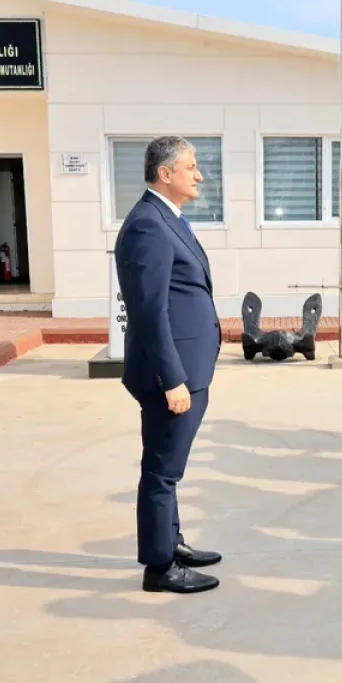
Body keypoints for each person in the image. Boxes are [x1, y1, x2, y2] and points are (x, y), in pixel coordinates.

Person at [114, 136, 224, 594]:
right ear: (166, 174)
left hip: (188, 369)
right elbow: (149, 312)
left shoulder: (168, 219)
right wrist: (172, 379)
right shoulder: (148, 227)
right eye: (191, 167)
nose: (199, 175)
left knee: (169, 467)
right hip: (172, 376)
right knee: (161, 471)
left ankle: (170, 542)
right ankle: (159, 568)